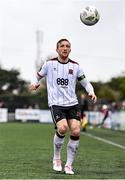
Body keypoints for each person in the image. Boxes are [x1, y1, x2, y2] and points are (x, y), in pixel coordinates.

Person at [29, 39, 97, 175]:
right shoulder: (49, 64)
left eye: (67, 46)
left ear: (70, 50)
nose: (65, 48)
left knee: (76, 131)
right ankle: (57, 158)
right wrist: (34, 83)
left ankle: (69, 166)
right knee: (62, 128)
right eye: (62, 46)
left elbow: (86, 83)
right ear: (57, 49)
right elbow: (36, 77)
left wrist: (91, 92)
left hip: (72, 103)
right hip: (56, 104)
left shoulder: (76, 66)